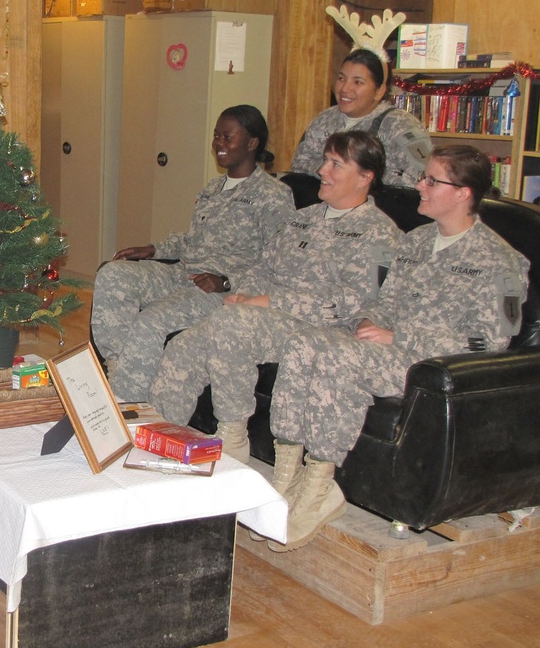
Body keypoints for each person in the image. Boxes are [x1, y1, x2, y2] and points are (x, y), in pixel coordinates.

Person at [264, 145, 528, 552]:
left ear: (462, 193)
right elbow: (381, 300)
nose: (419, 185)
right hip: (383, 348)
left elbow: (488, 344)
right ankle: (286, 474)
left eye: (431, 180)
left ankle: (320, 487)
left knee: (336, 358)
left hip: (424, 364)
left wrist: (400, 339)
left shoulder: (500, 261)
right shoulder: (415, 242)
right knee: (304, 342)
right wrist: (369, 321)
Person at [149, 131, 402, 463]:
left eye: (336, 164)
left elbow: (355, 301)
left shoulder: (380, 234)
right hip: (262, 319)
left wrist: (269, 302)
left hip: (317, 330)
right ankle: (161, 443)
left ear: (364, 177)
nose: (322, 170)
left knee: (235, 322)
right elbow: (264, 268)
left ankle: (233, 435)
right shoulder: (303, 218)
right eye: (325, 160)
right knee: (185, 344)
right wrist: (242, 293)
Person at [91, 105, 293, 402]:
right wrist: (154, 249)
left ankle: (127, 406)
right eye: (216, 136)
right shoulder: (214, 188)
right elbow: (193, 241)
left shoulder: (273, 195)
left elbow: (280, 263)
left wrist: (227, 281)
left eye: (228, 137)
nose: (219, 144)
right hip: (183, 273)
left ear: (252, 143)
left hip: (216, 290)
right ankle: (120, 370)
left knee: (151, 321)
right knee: (113, 274)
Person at [291, 48, 432, 188]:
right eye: (341, 79)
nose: (345, 88)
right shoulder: (325, 119)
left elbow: (424, 180)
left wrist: (359, 176)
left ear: (379, 91)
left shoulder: (401, 125)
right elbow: (298, 168)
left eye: (358, 82)